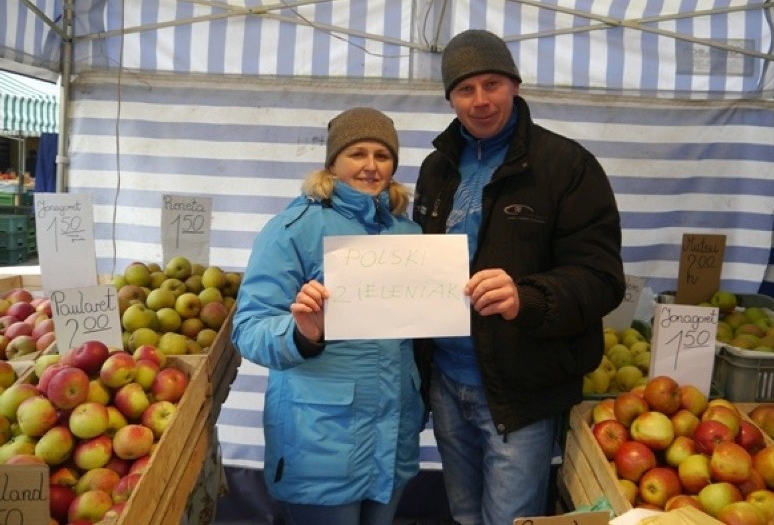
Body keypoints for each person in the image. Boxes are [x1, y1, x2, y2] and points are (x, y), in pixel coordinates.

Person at [413, 29, 626, 525]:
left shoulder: (566, 166)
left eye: (493, 84)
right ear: (450, 98)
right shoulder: (435, 169)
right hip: (446, 379)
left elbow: (601, 278)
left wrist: (526, 297)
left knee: (510, 520)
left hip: (519, 388)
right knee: (465, 514)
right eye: (466, 89)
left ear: (515, 84)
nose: (481, 100)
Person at [232, 107, 425, 525]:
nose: (371, 166)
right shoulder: (293, 228)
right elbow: (249, 327)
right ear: (333, 162)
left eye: (382, 155)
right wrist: (302, 334)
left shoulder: (408, 234)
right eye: (357, 153)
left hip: (392, 436)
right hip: (319, 441)